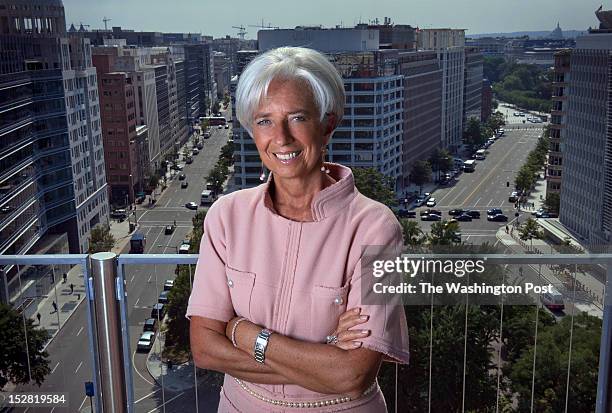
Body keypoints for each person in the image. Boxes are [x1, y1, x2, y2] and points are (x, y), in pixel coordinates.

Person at [186, 47, 409, 412]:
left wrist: (242, 332)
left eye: (297, 117)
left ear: (327, 125)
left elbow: (353, 377)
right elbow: (204, 348)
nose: (282, 137)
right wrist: (322, 361)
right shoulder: (226, 217)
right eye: (264, 121)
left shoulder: (376, 229)